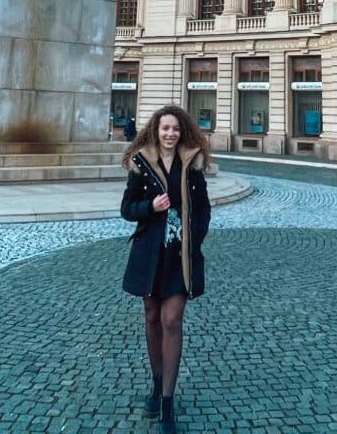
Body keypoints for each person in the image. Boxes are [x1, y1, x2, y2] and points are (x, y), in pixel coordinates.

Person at [120, 106, 211, 434]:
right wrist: (150, 207)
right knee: (152, 318)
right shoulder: (141, 165)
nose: (170, 134)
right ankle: (157, 387)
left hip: (180, 257)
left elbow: (203, 209)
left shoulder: (192, 164)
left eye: (175, 129)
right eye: (165, 129)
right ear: (155, 131)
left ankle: (168, 402)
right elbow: (126, 209)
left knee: (172, 320)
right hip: (148, 255)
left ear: (182, 131)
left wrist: (194, 240)